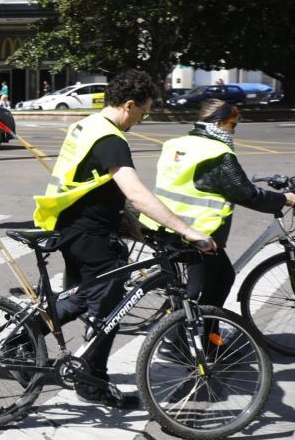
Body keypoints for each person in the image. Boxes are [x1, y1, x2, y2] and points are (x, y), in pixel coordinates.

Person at [33, 70, 217, 408]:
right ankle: (93, 382)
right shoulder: (111, 139)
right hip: (89, 234)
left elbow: (93, 180)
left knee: (83, 298)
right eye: (143, 112)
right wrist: (187, 230)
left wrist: (132, 223)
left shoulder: (88, 125)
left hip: (73, 227)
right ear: (129, 105)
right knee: (109, 309)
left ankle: (22, 337)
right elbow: (135, 191)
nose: (142, 120)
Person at [140, 100, 295, 309]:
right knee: (201, 291)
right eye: (232, 125)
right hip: (197, 233)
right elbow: (247, 194)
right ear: (220, 123)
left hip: (162, 225)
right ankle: (178, 335)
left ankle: (204, 332)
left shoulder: (177, 143)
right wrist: (284, 199)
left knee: (222, 277)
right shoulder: (218, 153)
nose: (233, 131)